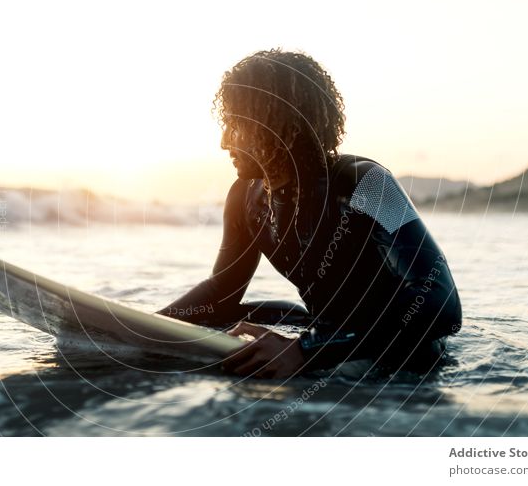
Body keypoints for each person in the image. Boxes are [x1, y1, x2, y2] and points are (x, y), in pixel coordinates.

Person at [157, 49, 462, 378]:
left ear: (278, 126)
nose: (222, 142)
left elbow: (441, 303)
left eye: (236, 125)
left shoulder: (368, 184)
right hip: (324, 337)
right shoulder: (245, 197)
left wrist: (305, 350)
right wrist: (146, 324)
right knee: (237, 316)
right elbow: (221, 292)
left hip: (398, 356)